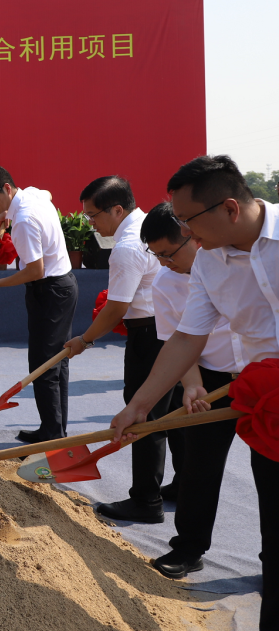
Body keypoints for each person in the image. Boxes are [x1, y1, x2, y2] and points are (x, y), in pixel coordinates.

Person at [111, 156, 278, 627]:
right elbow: (187, 337)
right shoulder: (207, 262)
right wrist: (140, 405)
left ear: (229, 208)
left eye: (188, 221)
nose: (185, 231)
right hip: (267, 406)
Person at [140, 201, 246, 579]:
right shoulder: (165, 284)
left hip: (263, 374)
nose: (164, 263)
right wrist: (194, 384)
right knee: (199, 466)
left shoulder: (240, 260)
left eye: (169, 253)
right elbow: (179, 340)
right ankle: (188, 547)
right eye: (157, 256)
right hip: (212, 379)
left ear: (192, 235)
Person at [64, 175, 178, 524]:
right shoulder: (148, 226)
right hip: (170, 330)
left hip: (150, 335)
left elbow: (116, 307)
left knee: (143, 415)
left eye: (93, 215)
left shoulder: (128, 246)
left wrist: (84, 340)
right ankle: (183, 486)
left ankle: (146, 500)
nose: (91, 223)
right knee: (174, 414)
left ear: (116, 209)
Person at [0, 166, 78, 442]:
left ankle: (52, 433)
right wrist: (5, 214)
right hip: (63, 285)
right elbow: (48, 193)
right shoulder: (31, 194)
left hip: (49, 290)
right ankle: (55, 429)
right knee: (56, 361)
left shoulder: (24, 221)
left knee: (44, 365)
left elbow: (34, 271)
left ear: (7, 188)